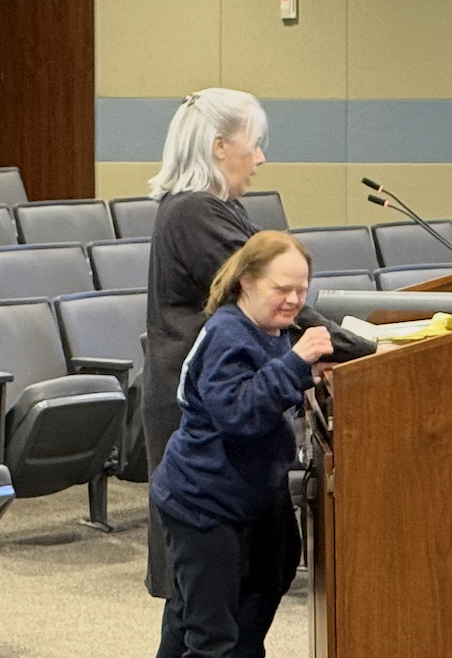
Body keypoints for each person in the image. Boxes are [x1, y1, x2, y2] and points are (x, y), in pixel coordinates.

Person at [138, 87, 371, 600]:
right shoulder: (195, 213)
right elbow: (276, 297)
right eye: (255, 143)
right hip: (207, 404)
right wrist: (359, 349)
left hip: (219, 394)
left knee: (236, 579)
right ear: (220, 146)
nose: (261, 158)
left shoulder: (216, 207)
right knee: (202, 587)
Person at [123, 231, 331, 658]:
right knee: (211, 630)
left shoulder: (264, 330)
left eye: (301, 290)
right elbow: (237, 411)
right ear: (246, 282)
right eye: (281, 289)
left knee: (199, 610)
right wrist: (295, 365)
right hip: (204, 502)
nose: (292, 301)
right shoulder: (227, 334)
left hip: (241, 499)